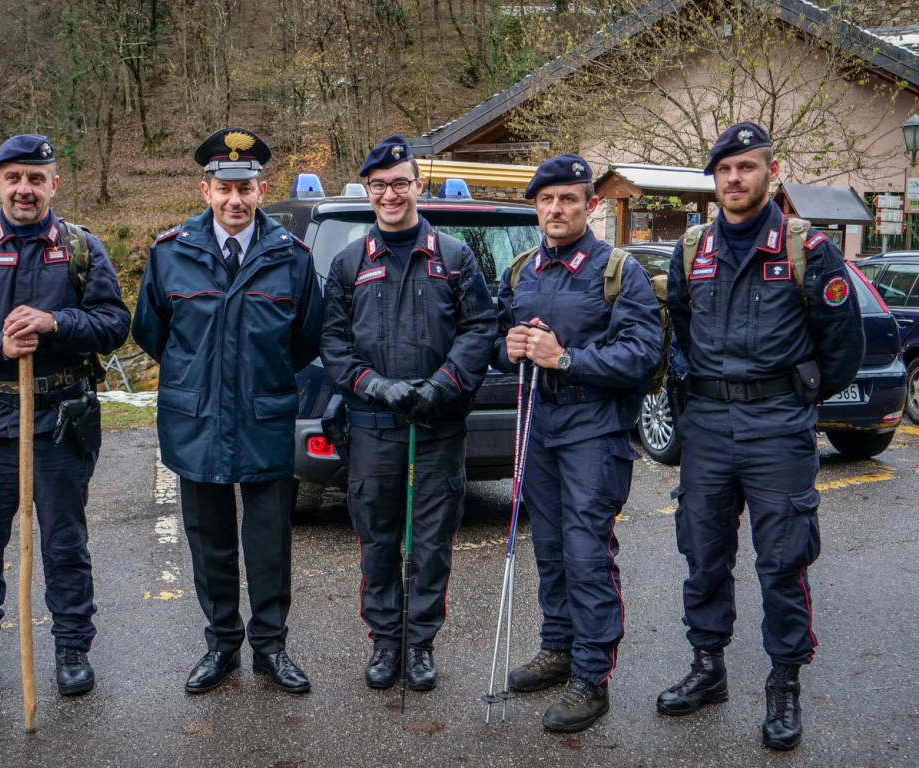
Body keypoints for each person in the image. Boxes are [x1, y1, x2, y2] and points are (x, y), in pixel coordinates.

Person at [658, 122, 863, 750]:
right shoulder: (693, 249)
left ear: (770, 173)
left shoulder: (808, 249)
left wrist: (794, 399)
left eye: (746, 168)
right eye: (724, 170)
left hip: (778, 426)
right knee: (703, 554)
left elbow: (843, 348)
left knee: (783, 560)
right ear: (714, 179)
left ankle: (783, 683)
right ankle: (708, 667)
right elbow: (682, 334)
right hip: (709, 426)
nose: (734, 180)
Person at [0, 134, 131, 706]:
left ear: (53, 185)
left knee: (65, 544)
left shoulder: (82, 248)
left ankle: (71, 649)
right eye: (13, 178)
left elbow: (114, 323)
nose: (24, 189)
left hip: (61, 423)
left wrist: (57, 322)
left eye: (36, 178)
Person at [133, 128, 322, 695]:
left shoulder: (292, 258)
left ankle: (271, 648)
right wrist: (199, 379)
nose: (234, 200)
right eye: (223, 188)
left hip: (263, 421)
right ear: (205, 190)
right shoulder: (170, 253)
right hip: (196, 423)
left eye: (245, 188)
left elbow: (305, 338)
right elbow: (152, 331)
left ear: (261, 190)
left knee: (269, 544)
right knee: (209, 541)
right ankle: (220, 645)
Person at [492, 154, 663, 733]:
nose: (556, 209)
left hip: (594, 427)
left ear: (590, 205)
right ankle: (557, 647)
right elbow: (495, 339)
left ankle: (593, 676)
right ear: (535, 207)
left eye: (568, 199)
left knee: (588, 552)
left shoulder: (618, 270)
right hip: (538, 424)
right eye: (546, 200)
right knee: (550, 547)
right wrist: (510, 347)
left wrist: (566, 358)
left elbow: (643, 353)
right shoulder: (521, 270)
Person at [319, 135, 496, 692]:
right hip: (374, 430)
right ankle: (385, 641)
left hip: (437, 428)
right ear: (369, 191)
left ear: (417, 187)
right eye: (379, 186)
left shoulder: (455, 256)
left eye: (400, 183)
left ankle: (420, 644)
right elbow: (333, 345)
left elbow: (480, 328)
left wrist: (444, 383)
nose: (390, 194)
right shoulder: (350, 263)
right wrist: (373, 385)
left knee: (430, 542)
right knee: (377, 539)